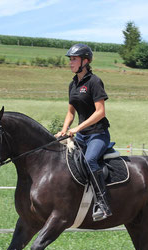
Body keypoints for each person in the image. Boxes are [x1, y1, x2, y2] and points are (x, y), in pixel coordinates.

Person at [55, 43, 112, 221]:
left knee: (90, 160)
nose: (71, 63)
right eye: (70, 59)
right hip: (80, 136)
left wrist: (77, 128)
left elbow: (100, 112)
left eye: (74, 59)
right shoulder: (73, 84)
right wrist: (64, 130)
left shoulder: (94, 82)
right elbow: (70, 112)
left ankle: (102, 204)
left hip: (98, 134)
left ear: (85, 61)